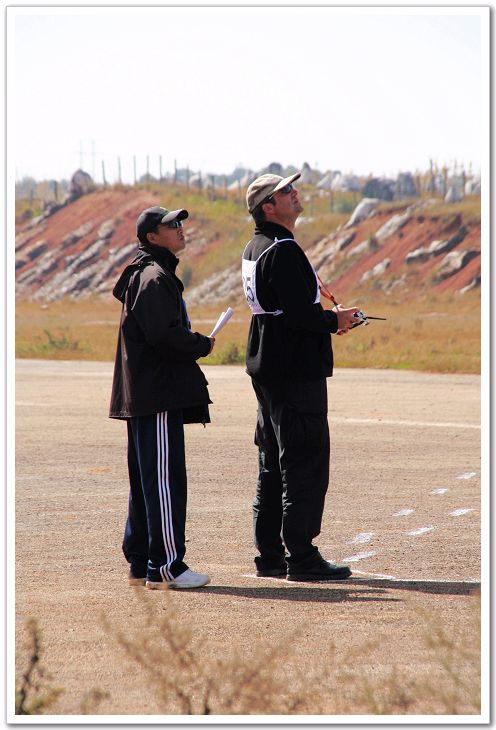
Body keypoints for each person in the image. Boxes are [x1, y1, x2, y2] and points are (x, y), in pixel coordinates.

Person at [241, 173, 360, 581]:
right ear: (268, 207)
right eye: (285, 192)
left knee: (272, 461)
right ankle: (302, 555)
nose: (295, 194)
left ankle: (270, 554)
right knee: (304, 461)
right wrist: (335, 320)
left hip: (269, 366)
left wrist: (326, 319)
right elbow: (300, 316)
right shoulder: (283, 249)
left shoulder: (256, 246)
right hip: (294, 370)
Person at [109, 206, 215, 590]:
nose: (180, 229)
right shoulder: (154, 276)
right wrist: (201, 344)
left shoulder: (149, 272)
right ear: (152, 237)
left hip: (147, 394)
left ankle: (141, 564)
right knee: (164, 482)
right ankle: (167, 566)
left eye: (180, 223)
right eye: (171, 225)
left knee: (147, 483)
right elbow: (164, 335)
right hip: (156, 395)